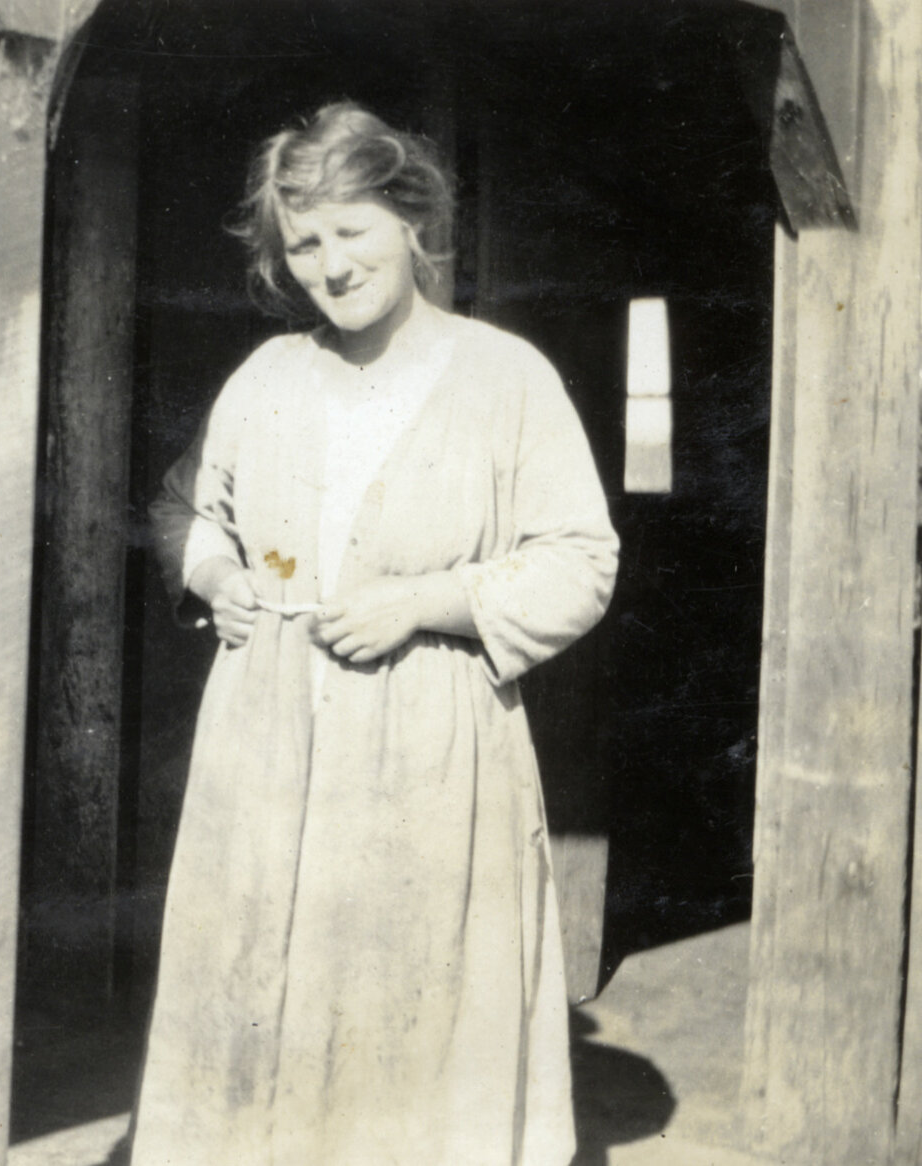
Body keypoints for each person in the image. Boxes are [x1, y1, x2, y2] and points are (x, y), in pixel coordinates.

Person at [132, 102, 618, 1165]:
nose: (331, 265)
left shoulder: (505, 378)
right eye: (303, 244)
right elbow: (186, 507)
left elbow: (581, 561)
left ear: (411, 221)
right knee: (260, 992)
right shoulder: (266, 377)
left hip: (427, 753)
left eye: (352, 230)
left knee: (411, 1005)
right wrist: (215, 573)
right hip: (265, 747)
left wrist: (424, 599)